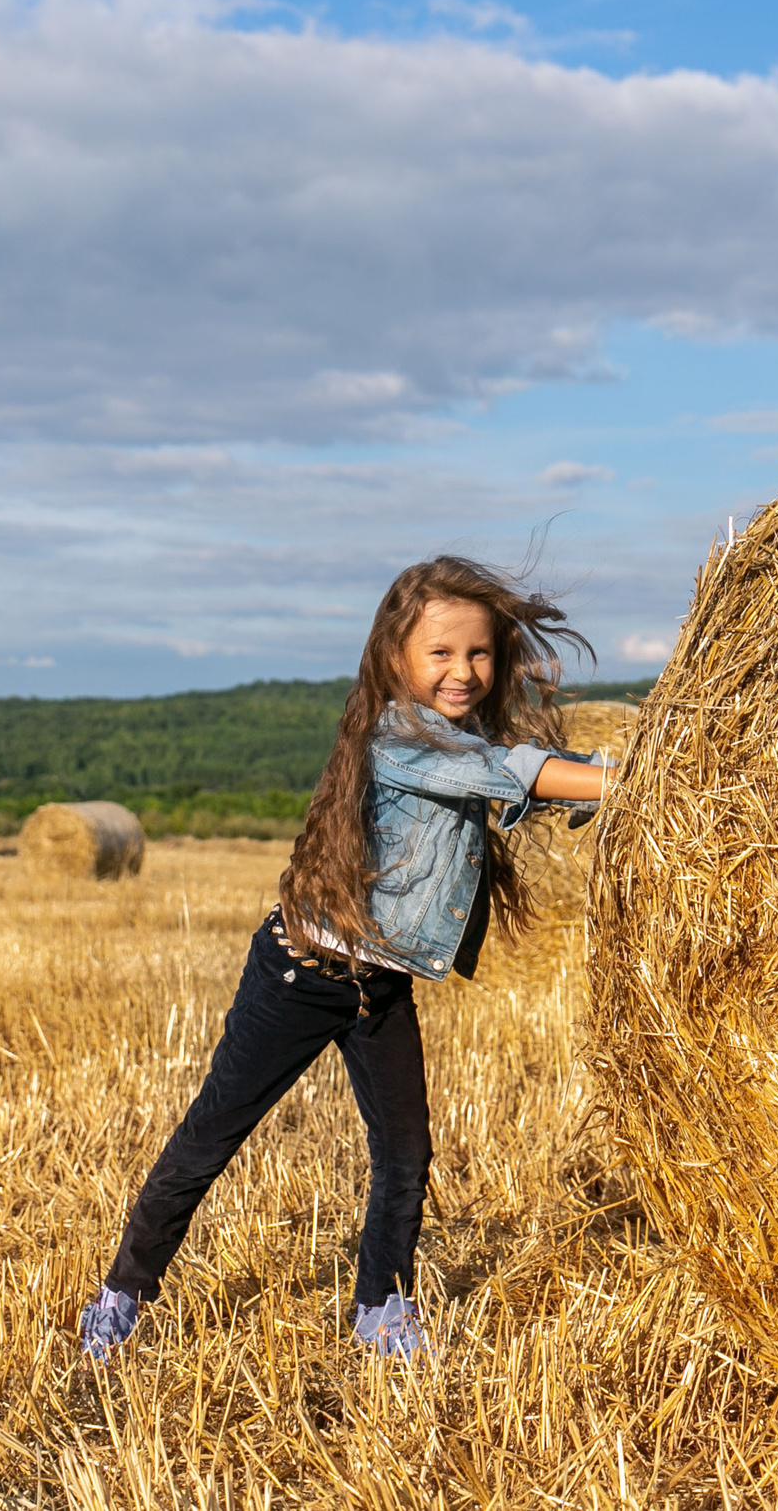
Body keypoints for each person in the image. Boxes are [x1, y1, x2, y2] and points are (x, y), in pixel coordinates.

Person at [77, 556, 611, 1360]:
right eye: (440, 653)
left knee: (406, 1152)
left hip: (379, 982)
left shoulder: (458, 735)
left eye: (479, 653)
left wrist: (607, 777)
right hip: (301, 973)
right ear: (396, 655)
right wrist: (637, 776)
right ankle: (121, 1295)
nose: (462, 670)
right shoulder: (398, 735)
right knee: (210, 1138)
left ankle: (381, 1309)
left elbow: (523, 777)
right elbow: (509, 775)